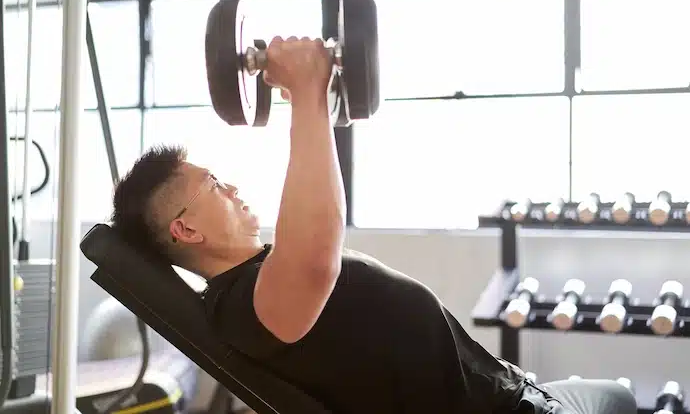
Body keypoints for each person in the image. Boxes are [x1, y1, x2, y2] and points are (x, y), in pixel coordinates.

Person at [111, 36, 637, 414]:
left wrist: (314, 98)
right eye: (215, 187)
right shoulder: (241, 306)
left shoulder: (262, 275)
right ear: (186, 231)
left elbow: (309, 227)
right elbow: (317, 253)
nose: (233, 189)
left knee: (617, 394)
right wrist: (308, 93)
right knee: (618, 397)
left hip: (514, 391)